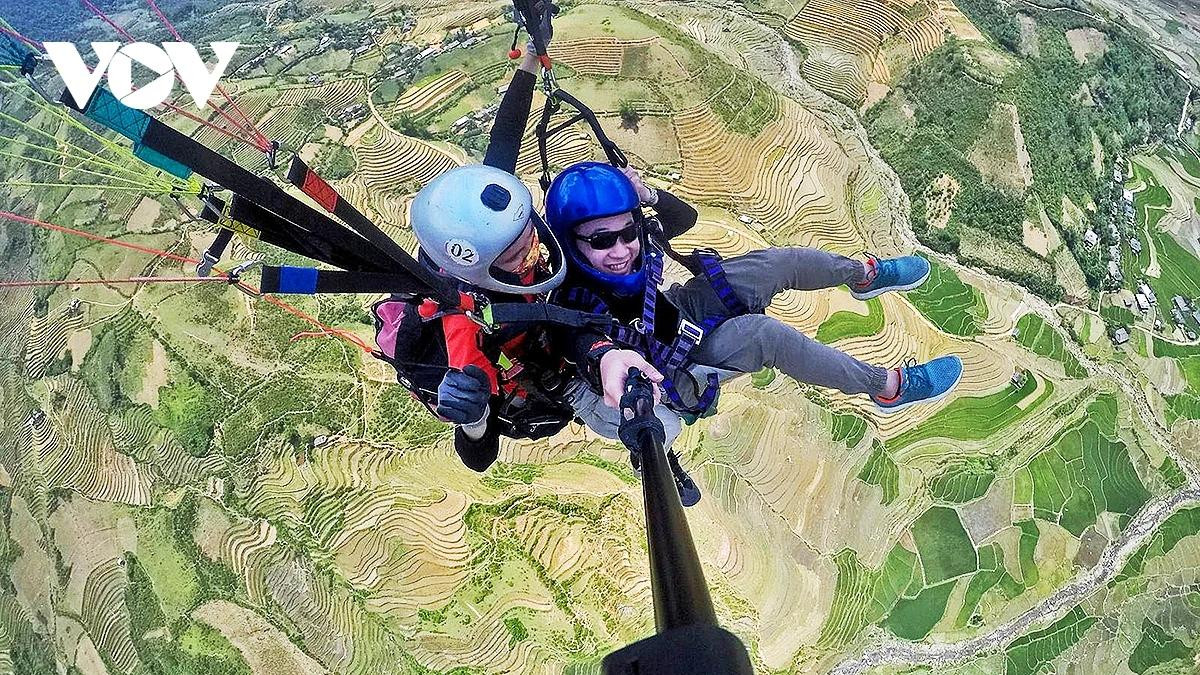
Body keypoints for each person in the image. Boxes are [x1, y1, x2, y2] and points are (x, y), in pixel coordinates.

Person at [543, 162, 965, 501]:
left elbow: (682, 217)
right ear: (571, 243)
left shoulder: (634, 244)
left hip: (675, 310)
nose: (620, 251)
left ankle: (863, 275)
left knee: (774, 265)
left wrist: (647, 196)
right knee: (765, 336)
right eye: (600, 241)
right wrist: (605, 358)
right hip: (672, 365)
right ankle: (889, 387)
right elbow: (577, 342)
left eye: (627, 232)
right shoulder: (566, 297)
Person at [372, 26, 667, 483]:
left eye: (530, 234)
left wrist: (531, 56)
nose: (533, 252)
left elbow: (503, 144)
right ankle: (653, 445)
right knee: (660, 428)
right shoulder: (458, 333)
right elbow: (478, 457)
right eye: (516, 256)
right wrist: (472, 421)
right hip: (544, 384)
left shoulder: (487, 227)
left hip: (555, 334)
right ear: (478, 270)